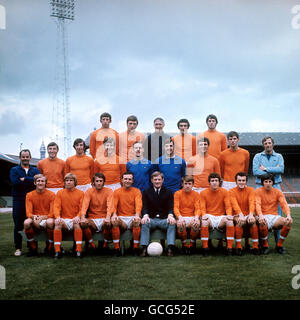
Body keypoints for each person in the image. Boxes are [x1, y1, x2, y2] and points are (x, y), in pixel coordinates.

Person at [252, 136, 284, 245]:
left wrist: (266, 169)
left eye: (269, 143)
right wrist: (272, 173)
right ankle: (262, 242)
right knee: (259, 212)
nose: (268, 145)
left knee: (278, 214)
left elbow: (281, 169)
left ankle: (278, 242)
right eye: (265, 143)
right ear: (263, 145)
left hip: (275, 186)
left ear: (273, 144)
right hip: (260, 186)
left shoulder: (279, 156)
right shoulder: (257, 156)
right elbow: (255, 171)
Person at [10, 149, 40, 256]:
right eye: (23, 156)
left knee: (32, 223)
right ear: (20, 158)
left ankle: (32, 247)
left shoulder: (35, 170)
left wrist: (25, 179)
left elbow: (38, 182)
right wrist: (31, 181)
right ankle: (18, 248)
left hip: (33, 201)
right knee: (18, 224)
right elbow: (15, 183)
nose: (25, 158)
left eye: (27, 156)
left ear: (30, 157)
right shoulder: (14, 170)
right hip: (19, 200)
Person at [140, 171, 176, 257]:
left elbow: (171, 206)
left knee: (172, 223)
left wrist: (170, 215)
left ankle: (170, 248)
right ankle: (144, 248)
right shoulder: (146, 192)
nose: (157, 181)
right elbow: (144, 206)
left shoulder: (168, 192)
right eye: (155, 179)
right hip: (151, 219)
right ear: (151, 180)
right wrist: (145, 215)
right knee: (144, 222)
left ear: (162, 180)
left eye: (159, 179)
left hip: (164, 219)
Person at [255, 173, 293, 254]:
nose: (268, 183)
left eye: (270, 181)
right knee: (262, 222)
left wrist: (288, 215)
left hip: (274, 217)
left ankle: (279, 245)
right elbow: (257, 204)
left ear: (273, 182)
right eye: (266, 181)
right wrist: (260, 215)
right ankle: (265, 246)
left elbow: (284, 204)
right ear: (262, 183)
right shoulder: (258, 191)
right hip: (263, 216)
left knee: (289, 222)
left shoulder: (278, 192)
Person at [199, 173, 234, 256]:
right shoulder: (203, 193)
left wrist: (229, 214)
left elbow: (228, 206)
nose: (214, 182)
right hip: (209, 216)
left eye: (216, 181)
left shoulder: (225, 192)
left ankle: (229, 248)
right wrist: (203, 215)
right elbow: (202, 207)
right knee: (204, 222)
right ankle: (205, 248)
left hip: (220, 217)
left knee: (230, 222)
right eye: (212, 181)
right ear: (209, 183)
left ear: (219, 182)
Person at [53, 173, 84, 259]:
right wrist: (58, 217)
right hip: (64, 219)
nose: (69, 182)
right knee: (57, 224)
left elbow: (82, 208)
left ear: (75, 182)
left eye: (71, 180)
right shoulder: (60, 193)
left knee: (77, 224)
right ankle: (57, 250)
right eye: (67, 180)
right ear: (64, 182)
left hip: (75, 219)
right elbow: (56, 206)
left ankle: (78, 250)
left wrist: (78, 216)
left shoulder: (81, 193)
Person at [80, 173, 114, 253]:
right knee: (83, 223)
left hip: (104, 218)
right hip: (93, 219)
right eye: (97, 181)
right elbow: (85, 205)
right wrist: (83, 217)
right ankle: (91, 244)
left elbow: (110, 205)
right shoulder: (89, 191)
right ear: (93, 182)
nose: (99, 183)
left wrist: (108, 217)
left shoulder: (109, 191)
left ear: (104, 182)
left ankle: (105, 244)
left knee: (109, 223)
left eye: (101, 181)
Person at [111, 172, 143, 256]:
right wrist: (114, 214)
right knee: (114, 221)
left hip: (133, 217)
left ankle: (135, 248)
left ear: (132, 181)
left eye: (129, 179)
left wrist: (137, 215)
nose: (127, 181)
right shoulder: (117, 191)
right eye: (125, 179)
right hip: (122, 219)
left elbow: (138, 204)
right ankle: (117, 249)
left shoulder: (136, 191)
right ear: (122, 180)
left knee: (137, 221)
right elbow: (114, 205)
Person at [24, 174, 55, 256]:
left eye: (42, 181)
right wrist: (34, 217)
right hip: (35, 218)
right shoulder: (29, 195)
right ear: (35, 183)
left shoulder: (52, 194)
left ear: (45, 183)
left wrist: (42, 218)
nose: (40, 183)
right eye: (38, 181)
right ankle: (32, 247)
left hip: (46, 218)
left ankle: (49, 247)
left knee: (50, 222)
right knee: (26, 223)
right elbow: (28, 213)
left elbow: (52, 213)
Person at [229, 172, 259, 255]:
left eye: (243, 180)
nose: (241, 182)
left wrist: (251, 214)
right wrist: (240, 215)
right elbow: (234, 205)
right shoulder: (231, 191)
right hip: (237, 215)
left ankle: (255, 246)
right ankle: (238, 247)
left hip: (248, 213)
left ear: (246, 182)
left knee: (252, 221)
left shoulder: (251, 190)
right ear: (236, 181)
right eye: (239, 180)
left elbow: (252, 202)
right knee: (240, 221)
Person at [174, 176, 201, 254]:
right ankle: (184, 244)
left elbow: (198, 208)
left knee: (196, 223)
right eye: (185, 183)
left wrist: (196, 217)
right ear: (182, 184)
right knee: (180, 224)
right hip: (182, 216)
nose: (187, 186)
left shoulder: (196, 194)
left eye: (189, 184)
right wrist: (179, 217)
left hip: (192, 216)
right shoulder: (177, 193)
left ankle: (192, 244)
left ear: (193, 185)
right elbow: (176, 208)